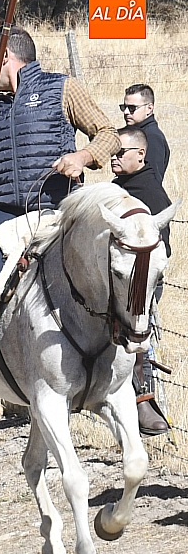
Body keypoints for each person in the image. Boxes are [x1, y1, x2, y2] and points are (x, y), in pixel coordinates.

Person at [0, 25, 119, 431]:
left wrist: (82, 157)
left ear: (5, 57)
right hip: (0, 211)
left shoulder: (63, 88)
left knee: (112, 272)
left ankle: (137, 384)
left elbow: (109, 134)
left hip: (56, 207)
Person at [110, 125, 173, 437]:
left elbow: (162, 252)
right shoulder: (118, 188)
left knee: (138, 334)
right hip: (116, 280)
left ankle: (143, 399)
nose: (114, 157)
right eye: (112, 152)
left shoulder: (149, 193)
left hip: (141, 284)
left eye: (120, 152)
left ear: (140, 154)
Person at [121, 84, 169, 184]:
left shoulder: (152, 138)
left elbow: (153, 180)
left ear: (149, 108)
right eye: (124, 107)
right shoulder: (135, 133)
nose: (126, 112)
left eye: (132, 108)